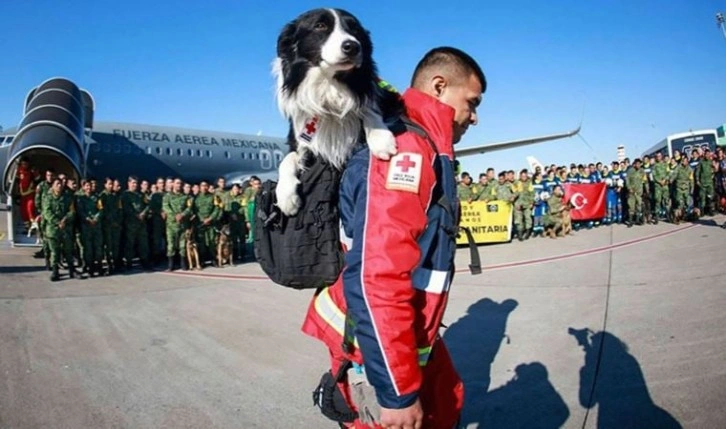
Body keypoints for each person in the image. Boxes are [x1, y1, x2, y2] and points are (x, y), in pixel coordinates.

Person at [301, 46, 486, 429]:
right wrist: (396, 392)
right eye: (471, 102)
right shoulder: (406, 150)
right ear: (439, 86)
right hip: (376, 347)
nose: (475, 117)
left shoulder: (426, 145)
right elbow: (377, 279)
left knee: (447, 401)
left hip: (404, 334)